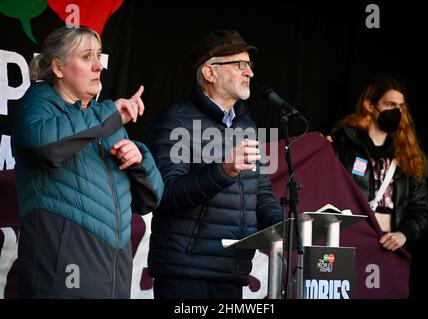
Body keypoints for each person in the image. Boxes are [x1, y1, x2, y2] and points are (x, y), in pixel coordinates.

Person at [12, 26, 164, 298]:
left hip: (113, 278)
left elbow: (150, 199)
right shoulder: (38, 102)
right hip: (62, 280)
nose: (99, 67)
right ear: (58, 68)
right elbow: (42, 143)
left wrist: (138, 161)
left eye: (99, 56)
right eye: (86, 57)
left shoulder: (105, 120)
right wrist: (111, 113)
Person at [146, 29, 284, 299]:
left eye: (250, 65)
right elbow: (167, 194)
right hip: (185, 276)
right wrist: (223, 170)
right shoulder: (176, 119)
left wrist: (289, 228)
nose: (250, 73)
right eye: (240, 65)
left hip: (231, 274)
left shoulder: (247, 125)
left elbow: (262, 195)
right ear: (210, 73)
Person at [329, 75, 428, 252]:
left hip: (389, 247)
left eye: (400, 107)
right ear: (369, 106)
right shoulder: (345, 145)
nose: (397, 111)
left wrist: (403, 234)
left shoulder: (406, 154)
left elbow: (421, 208)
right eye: (390, 105)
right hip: (350, 243)